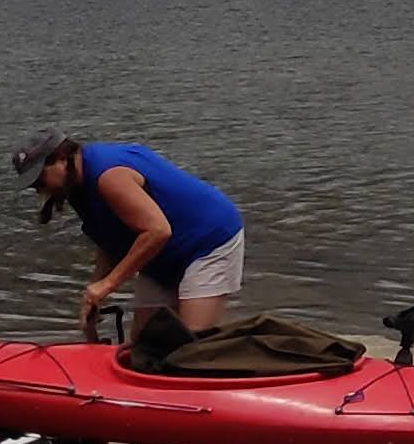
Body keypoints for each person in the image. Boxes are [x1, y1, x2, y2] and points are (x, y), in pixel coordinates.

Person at [13, 133, 247, 337]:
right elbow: (109, 238)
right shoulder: (74, 183)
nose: (40, 189)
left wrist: (107, 285)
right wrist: (94, 294)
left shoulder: (108, 175)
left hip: (208, 241)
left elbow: (158, 231)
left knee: (192, 345)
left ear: (62, 158)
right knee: (145, 342)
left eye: (39, 180)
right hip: (161, 253)